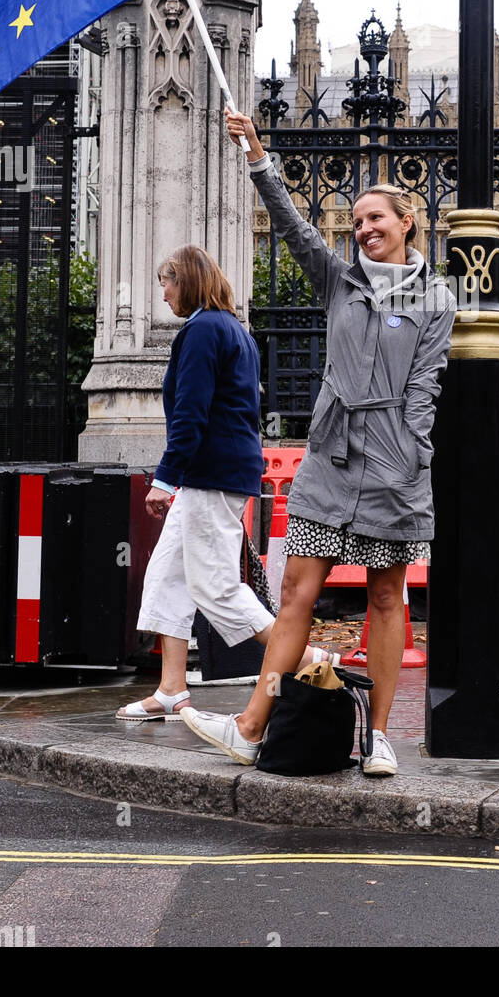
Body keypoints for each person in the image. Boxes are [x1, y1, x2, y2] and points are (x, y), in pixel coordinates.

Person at [182, 110, 456, 776]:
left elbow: (426, 389)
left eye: (377, 220)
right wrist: (257, 157)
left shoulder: (436, 299)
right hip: (329, 462)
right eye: (358, 222)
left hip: (393, 466)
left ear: (407, 223)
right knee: (298, 594)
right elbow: (293, 226)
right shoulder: (340, 280)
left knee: (387, 597)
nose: (364, 230)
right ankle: (253, 723)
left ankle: (382, 738)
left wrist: (410, 458)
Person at [115, 245, 333, 723]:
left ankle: (309, 661)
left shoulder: (201, 331)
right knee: (167, 578)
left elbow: (191, 414)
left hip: (208, 476)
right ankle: (171, 689)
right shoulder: (235, 330)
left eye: (167, 281)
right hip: (221, 472)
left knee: (216, 588)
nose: (164, 292)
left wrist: (165, 479)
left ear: (188, 281)